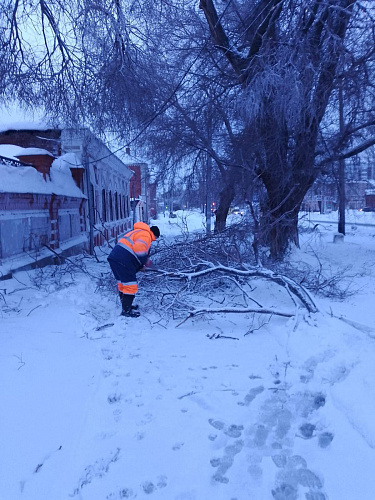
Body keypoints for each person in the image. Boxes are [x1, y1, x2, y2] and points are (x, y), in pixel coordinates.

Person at [108, 222, 160, 317]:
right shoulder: (146, 234)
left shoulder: (137, 232)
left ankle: (126, 306)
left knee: (123, 284)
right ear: (154, 235)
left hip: (114, 258)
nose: (153, 240)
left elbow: (132, 250)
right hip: (124, 260)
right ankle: (126, 311)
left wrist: (140, 266)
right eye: (155, 239)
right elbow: (139, 249)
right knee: (130, 285)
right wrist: (146, 262)